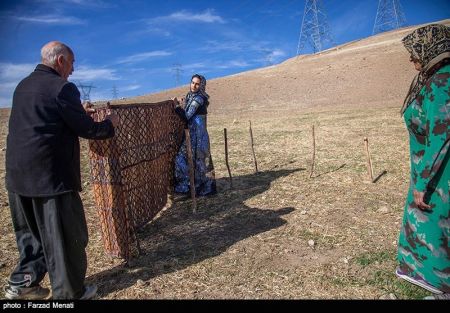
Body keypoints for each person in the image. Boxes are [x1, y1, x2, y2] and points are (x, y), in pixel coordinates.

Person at [4, 41, 119, 300]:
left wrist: (78, 111)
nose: (73, 70)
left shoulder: (23, 85)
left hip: (17, 175)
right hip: (49, 177)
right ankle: (69, 294)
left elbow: (47, 116)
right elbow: (89, 130)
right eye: (72, 63)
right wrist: (110, 123)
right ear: (60, 61)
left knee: (31, 236)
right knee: (65, 237)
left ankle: (22, 284)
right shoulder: (62, 87)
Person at [395, 24, 450, 300]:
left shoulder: (442, 83)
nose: (411, 58)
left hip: (440, 176)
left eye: (415, 52)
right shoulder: (437, 78)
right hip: (432, 171)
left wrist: (423, 181)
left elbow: (441, 135)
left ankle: (443, 289)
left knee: (435, 227)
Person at [172, 74, 217, 197]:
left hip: (198, 137)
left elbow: (186, 116)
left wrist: (176, 107)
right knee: (192, 161)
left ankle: (187, 187)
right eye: (192, 82)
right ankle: (191, 186)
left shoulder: (198, 99)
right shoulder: (192, 96)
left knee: (192, 161)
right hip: (193, 135)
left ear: (201, 85)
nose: (194, 85)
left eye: (197, 83)